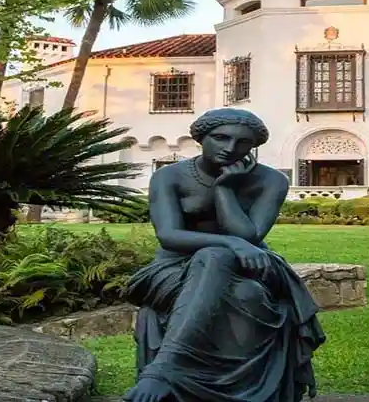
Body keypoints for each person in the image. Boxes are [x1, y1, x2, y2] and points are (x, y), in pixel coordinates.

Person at [122, 107, 326, 402]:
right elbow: (168, 236)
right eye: (220, 138)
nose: (230, 148)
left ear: (253, 147)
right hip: (174, 267)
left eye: (243, 143)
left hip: (249, 265)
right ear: (201, 138)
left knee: (219, 259)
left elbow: (249, 237)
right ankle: (173, 370)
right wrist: (230, 245)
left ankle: (163, 370)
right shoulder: (170, 176)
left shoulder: (271, 181)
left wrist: (225, 189)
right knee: (225, 269)